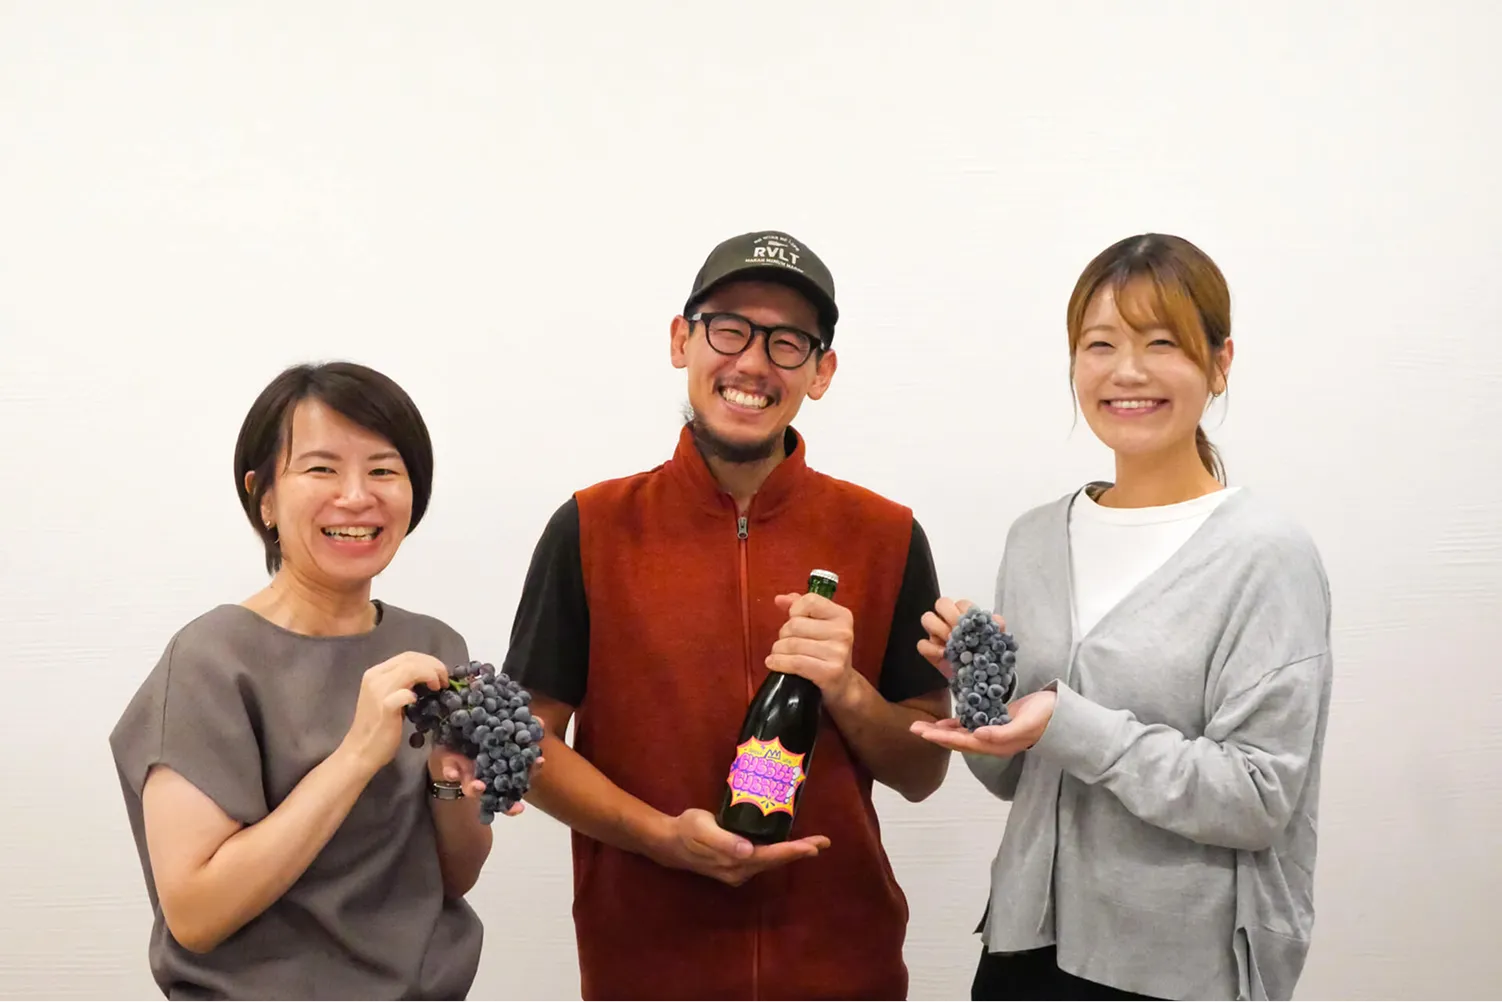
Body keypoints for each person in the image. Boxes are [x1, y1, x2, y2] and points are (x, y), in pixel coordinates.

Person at [502, 229, 951, 1001]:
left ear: (821, 371)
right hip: (646, 971)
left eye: (787, 342)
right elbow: (526, 744)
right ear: (683, 340)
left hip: (845, 971)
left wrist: (847, 689)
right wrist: (661, 838)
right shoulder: (592, 526)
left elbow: (922, 771)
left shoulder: (887, 534)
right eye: (729, 329)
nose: (752, 363)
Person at [912, 233, 1333, 1002]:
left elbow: (1258, 799)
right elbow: (1013, 779)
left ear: (1220, 362)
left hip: (1175, 968)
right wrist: (981, 694)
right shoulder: (1035, 538)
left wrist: (1065, 721)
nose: (1126, 371)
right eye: (1100, 344)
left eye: (1161, 343)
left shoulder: (1265, 554)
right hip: (1020, 951)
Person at [109, 361, 536, 1001]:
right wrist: (357, 756)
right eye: (321, 469)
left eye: (384, 471)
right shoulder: (209, 662)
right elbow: (196, 916)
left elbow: (452, 880)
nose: (357, 496)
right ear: (264, 497)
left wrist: (450, 786)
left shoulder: (435, 648)